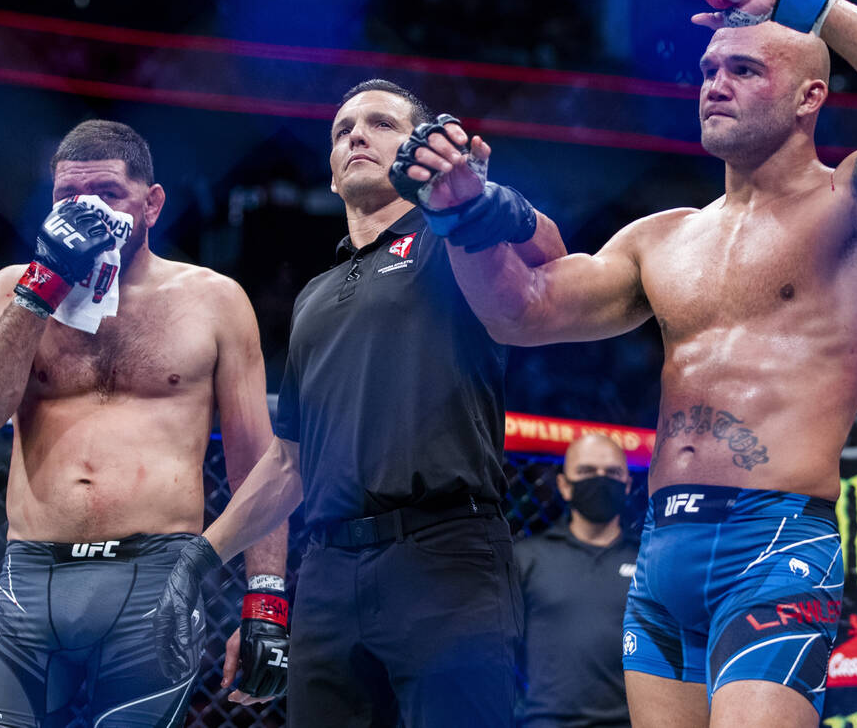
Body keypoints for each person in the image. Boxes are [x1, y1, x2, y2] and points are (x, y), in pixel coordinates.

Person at [390, 0, 857, 728]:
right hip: (663, 551)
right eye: (708, 69)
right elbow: (519, 312)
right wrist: (461, 219)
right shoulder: (660, 237)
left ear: (810, 96)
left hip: (774, 545)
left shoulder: (856, 208)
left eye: (744, 68)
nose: (715, 83)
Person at [152, 79, 567, 727]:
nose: (356, 136)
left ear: (416, 149)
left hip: (446, 555)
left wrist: (479, 202)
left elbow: (550, 255)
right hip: (327, 573)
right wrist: (201, 554)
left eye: (379, 123)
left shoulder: (451, 241)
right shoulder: (314, 296)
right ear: (331, 167)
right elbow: (289, 462)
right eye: (343, 129)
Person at [0, 120, 288, 728]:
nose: (87, 212)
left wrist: (266, 599)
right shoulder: (11, 290)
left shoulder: (213, 300)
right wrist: (42, 287)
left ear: (152, 204)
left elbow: (258, 463)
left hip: (155, 584)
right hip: (30, 579)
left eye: (108, 194)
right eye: (69, 198)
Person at [515, 433, 638, 728]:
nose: (600, 479)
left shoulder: (650, 561)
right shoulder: (527, 558)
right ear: (564, 485)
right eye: (586, 471)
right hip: (547, 721)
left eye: (612, 473)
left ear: (627, 483)